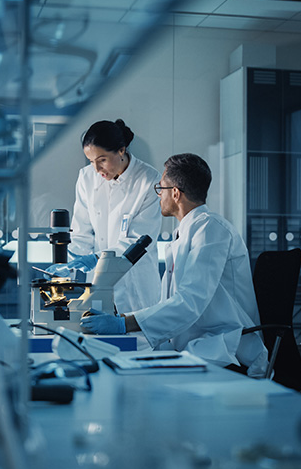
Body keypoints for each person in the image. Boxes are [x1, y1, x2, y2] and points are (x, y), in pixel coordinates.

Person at [79, 153, 269, 379]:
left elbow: (189, 302)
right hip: (194, 345)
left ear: (176, 193)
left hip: (224, 348)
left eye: (161, 189)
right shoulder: (185, 233)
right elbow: (172, 304)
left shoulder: (211, 230)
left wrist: (123, 323)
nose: (159, 196)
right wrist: (125, 319)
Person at [47, 119, 162, 314]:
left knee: (137, 339)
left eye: (102, 160)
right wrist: (69, 264)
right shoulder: (86, 178)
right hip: (99, 284)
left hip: (136, 287)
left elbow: (138, 242)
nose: (97, 169)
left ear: (121, 150)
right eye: (91, 161)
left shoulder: (149, 180)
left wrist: (95, 259)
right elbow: (82, 232)